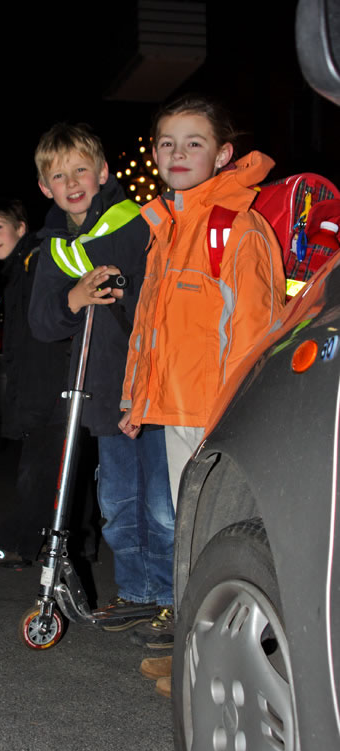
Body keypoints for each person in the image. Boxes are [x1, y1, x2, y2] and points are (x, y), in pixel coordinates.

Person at [119, 95, 286, 678]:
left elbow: (255, 330)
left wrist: (234, 416)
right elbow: (151, 326)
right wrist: (134, 399)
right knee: (192, 537)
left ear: (223, 154)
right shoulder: (169, 226)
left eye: (194, 142)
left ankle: (222, 669)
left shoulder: (234, 226)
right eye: (167, 142)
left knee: (221, 539)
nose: (178, 152)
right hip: (177, 409)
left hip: (216, 414)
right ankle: (196, 656)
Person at [28, 122, 175, 629]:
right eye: (58, 176)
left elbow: (158, 288)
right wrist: (75, 296)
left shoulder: (136, 223)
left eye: (81, 170)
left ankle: (172, 597)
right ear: (46, 188)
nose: (72, 182)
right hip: (104, 391)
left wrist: (120, 284)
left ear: (103, 173)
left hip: (153, 384)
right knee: (118, 502)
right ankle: (136, 591)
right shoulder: (55, 248)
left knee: (162, 503)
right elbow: (42, 322)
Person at [0, 197, 76, 568]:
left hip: (53, 389)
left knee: (38, 474)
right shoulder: (18, 269)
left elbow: (52, 327)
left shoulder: (37, 260)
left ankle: (15, 545)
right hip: (39, 389)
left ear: (21, 227)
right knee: (46, 473)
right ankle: (47, 547)